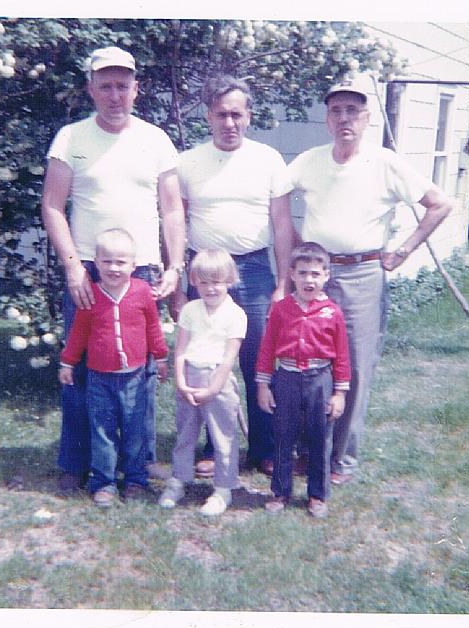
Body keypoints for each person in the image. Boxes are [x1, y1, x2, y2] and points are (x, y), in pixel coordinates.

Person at [288, 74, 452, 484]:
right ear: (327, 118)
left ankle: (340, 458)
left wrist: (404, 250)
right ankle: (309, 451)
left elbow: (439, 204)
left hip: (363, 274)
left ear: (366, 117)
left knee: (355, 367)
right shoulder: (308, 161)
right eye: (337, 111)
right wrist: (294, 250)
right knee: (308, 362)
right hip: (315, 276)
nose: (344, 119)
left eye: (353, 111)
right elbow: (272, 200)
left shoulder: (385, 162)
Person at [41, 46, 185, 493]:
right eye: (105, 85)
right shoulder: (71, 138)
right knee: (83, 364)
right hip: (88, 270)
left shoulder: (156, 140)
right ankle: (76, 462)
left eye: (123, 85)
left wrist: (175, 265)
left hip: (141, 270)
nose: (115, 94)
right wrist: (71, 268)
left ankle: (136, 465)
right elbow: (51, 206)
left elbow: (173, 209)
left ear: (136, 89)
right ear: (91, 89)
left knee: (139, 372)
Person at [177, 75, 295, 478]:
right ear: (208, 117)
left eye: (237, 114)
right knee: (208, 358)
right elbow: (175, 221)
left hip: (256, 268)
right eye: (221, 114)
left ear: (249, 116)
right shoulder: (188, 161)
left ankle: (263, 447)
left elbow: (282, 224)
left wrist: (283, 283)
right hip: (206, 270)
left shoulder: (268, 160)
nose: (229, 122)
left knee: (260, 359)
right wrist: (179, 277)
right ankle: (215, 444)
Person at [59, 229, 169, 506]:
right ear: (95, 263)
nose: (114, 268)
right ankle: (104, 482)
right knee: (103, 431)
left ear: (134, 265)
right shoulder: (91, 296)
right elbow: (78, 334)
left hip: (134, 376)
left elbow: (154, 327)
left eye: (121, 262)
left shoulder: (142, 292)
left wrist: (162, 356)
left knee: (135, 430)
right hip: (99, 378)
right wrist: (68, 362)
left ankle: (135, 479)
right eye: (107, 262)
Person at [256, 243, 350, 518]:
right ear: (292, 275)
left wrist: (339, 393)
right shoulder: (281, 309)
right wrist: (263, 385)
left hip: (320, 379)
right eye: (303, 273)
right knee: (284, 435)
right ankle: (280, 491)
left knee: (320, 437)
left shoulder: (332, 312)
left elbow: (342, 356)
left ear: (326, 276)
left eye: (315, 274)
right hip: (286, 378)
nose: (309, 280)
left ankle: (317, 495)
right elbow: (267, 348)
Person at [159, 249, 247, 516]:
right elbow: (181, 350)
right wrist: (181, 382)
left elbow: (228, 359)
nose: (211, 288)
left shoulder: (236, 315)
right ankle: (179, 479)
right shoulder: (189, 310)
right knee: (185, 433)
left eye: (217, 281)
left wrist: (212, 389)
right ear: (194, 281)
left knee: (223, 437)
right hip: (190, 376)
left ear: (230, 280)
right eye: (205, 281)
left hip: (217, 381)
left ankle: (223, 488)